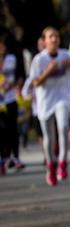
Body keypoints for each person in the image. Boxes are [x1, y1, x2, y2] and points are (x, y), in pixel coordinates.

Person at [24, 28, 70, 186]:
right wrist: (48, 71)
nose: (54, 39)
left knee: (63, 127)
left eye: (56, 36)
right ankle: (51, 165)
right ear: (44, 41)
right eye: (50, 37)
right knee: (49, 137)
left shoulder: (65, 55)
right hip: (46, 100)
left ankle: (63, 162)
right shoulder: (39, 60)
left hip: (63, 98)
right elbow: (35, 83)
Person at [0, 33, 25, 173]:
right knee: (1, 130)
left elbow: (19, 75)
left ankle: (15, 157)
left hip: (10, 98)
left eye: (2, 45)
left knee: (13, 129)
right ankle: (3, 158)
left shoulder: (12, 58)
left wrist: (15, 85)